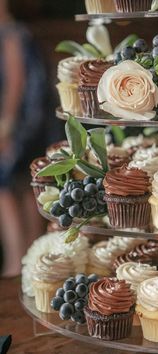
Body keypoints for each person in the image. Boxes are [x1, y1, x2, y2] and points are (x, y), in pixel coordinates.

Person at [0, 0, 49, 277]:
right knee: (25, 187)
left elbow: (16, 85)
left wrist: (5, 130)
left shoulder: (11, 34)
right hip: (28, 127)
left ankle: (15, 260)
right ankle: (28, 257)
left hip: (21, 127)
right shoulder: (14, 32)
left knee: (6, 187)